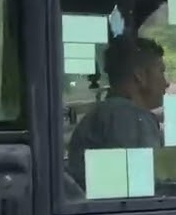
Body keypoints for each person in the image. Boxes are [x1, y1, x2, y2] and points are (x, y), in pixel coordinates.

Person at [66, 35, 169, 191]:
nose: (167, 83)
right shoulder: (131, 118)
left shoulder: (102, 114)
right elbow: (145, 191)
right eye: (161, 72)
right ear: (139, 76)